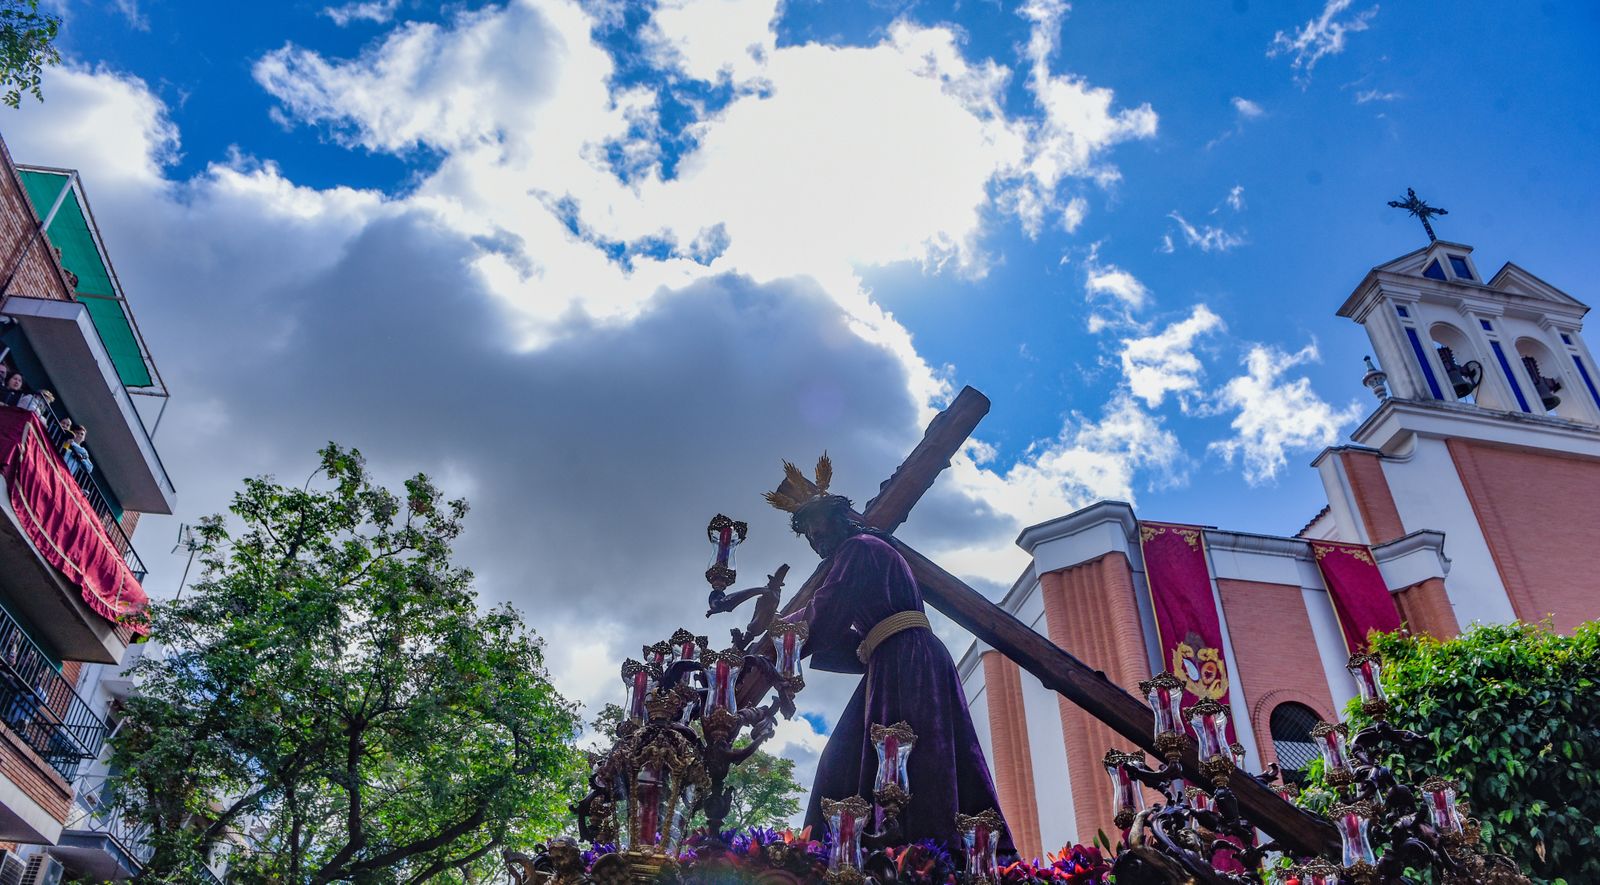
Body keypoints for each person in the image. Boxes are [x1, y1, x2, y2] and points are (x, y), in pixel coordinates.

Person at [766, 455, 1012, 855]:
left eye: (818, 527)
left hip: (906, 663)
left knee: (904, 758)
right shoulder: (864, 552)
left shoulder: (859, 549)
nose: (816, 538)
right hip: (894, 660)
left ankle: (915, 855)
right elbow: (846, 634)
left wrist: (779, 631)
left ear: (840, 518)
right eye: (809, 535)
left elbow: (826, 611)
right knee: (844, 760)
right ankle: (853, 852)